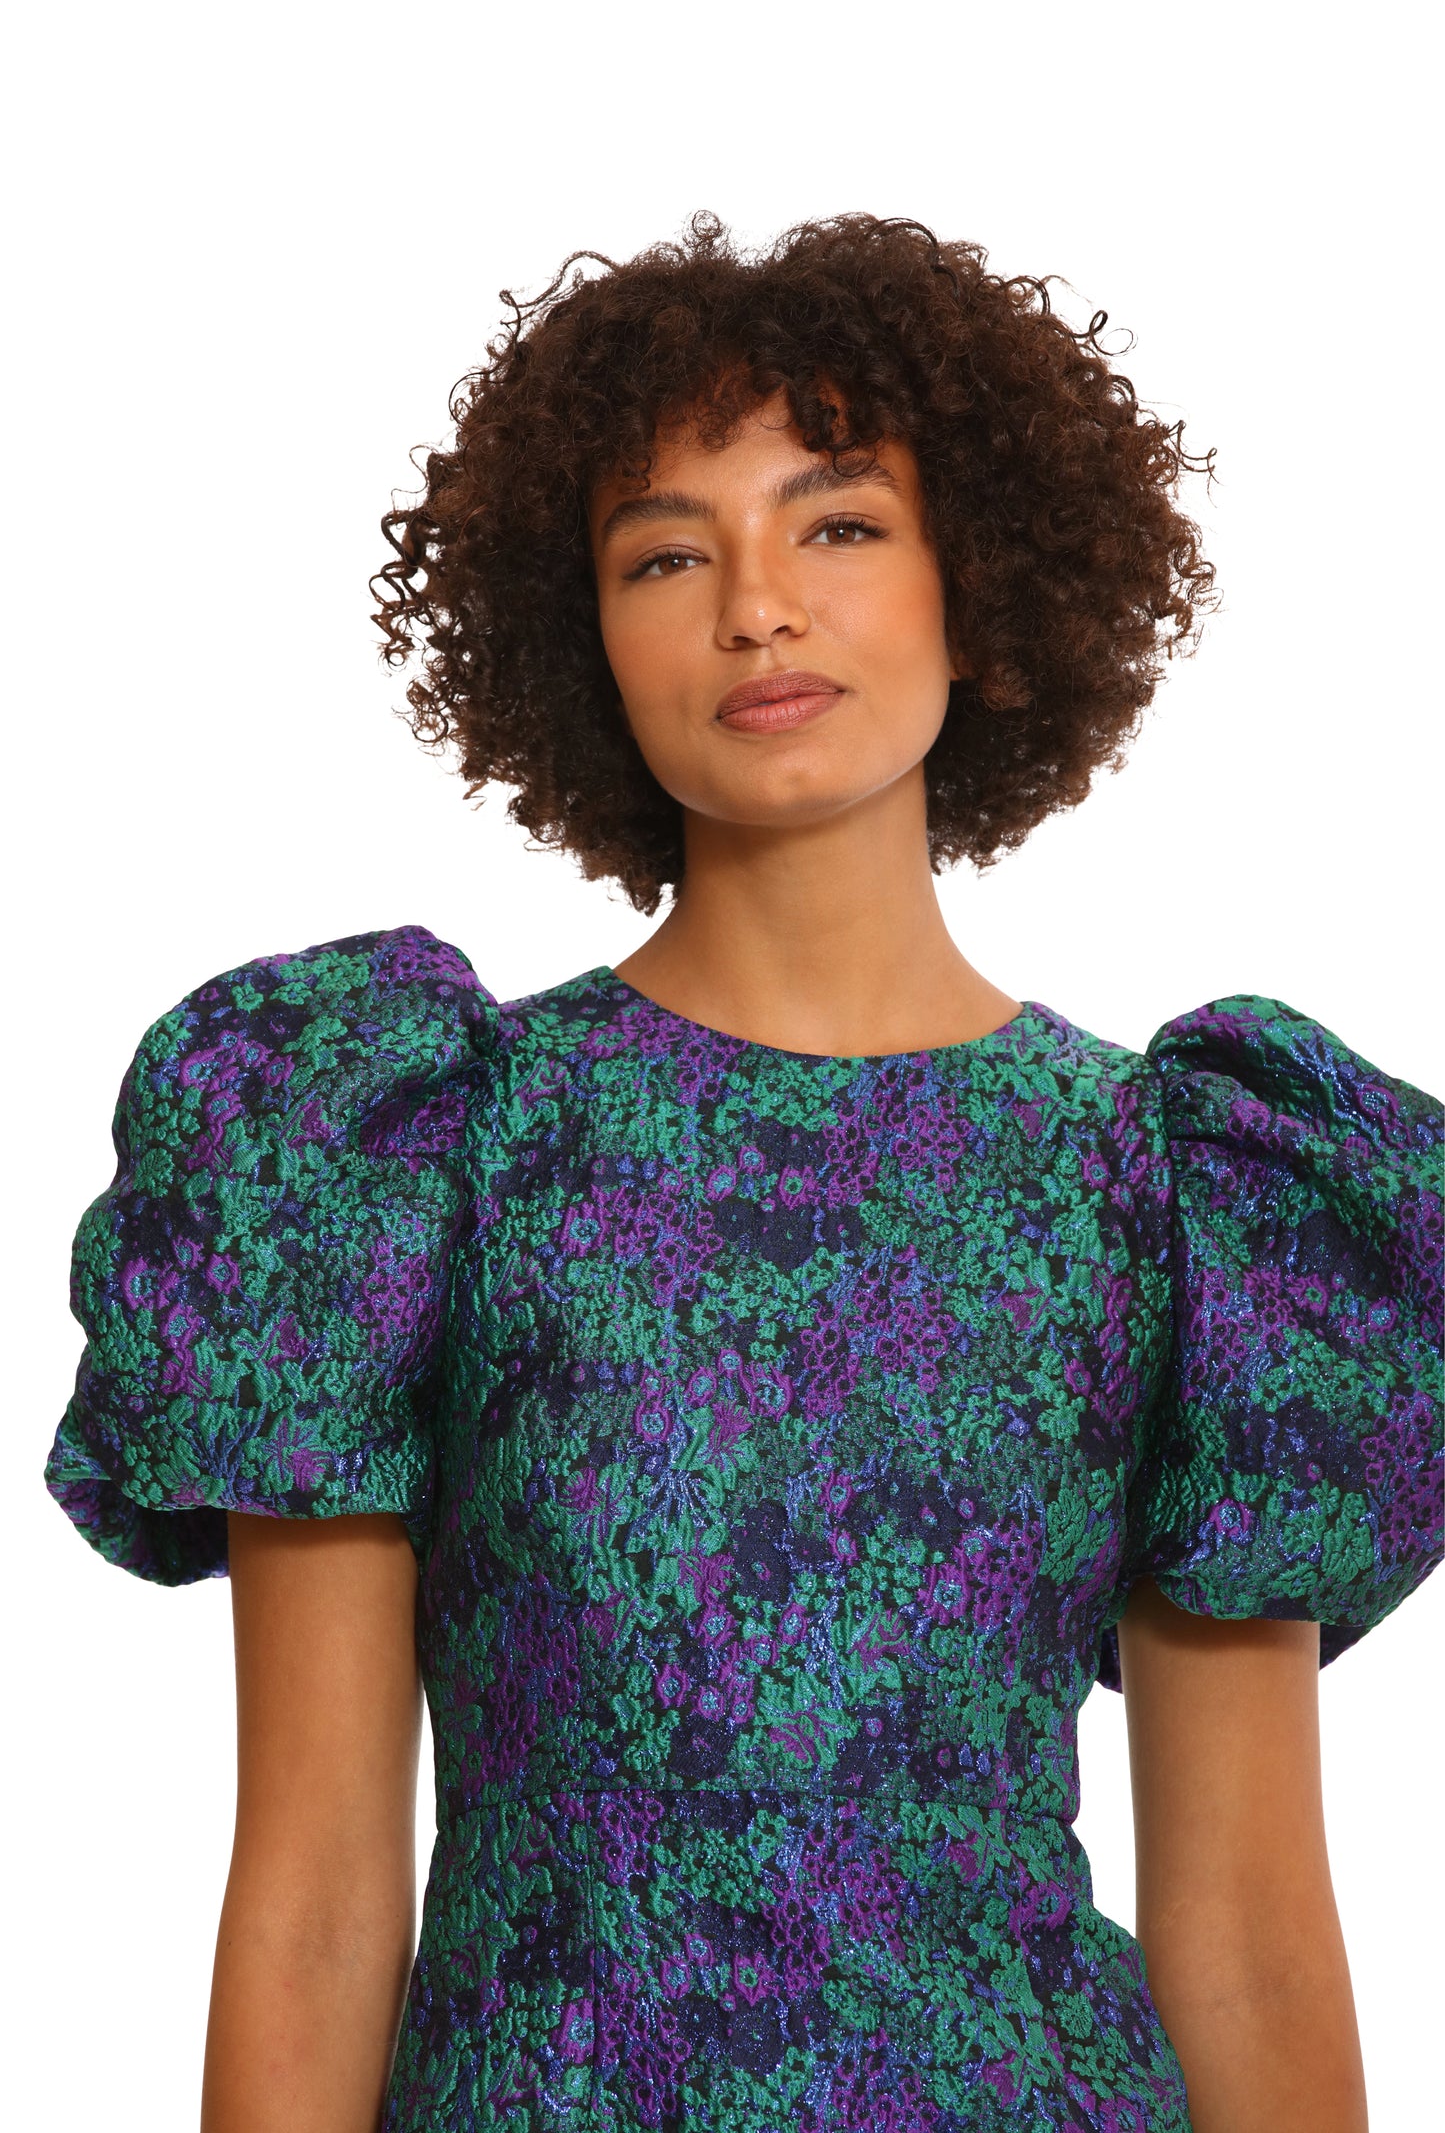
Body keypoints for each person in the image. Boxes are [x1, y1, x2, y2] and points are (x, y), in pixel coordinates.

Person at [44, 213, 1442, 2133]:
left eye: (838, 524)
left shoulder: (1191, 1191)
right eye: (665, 554)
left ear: (980, 588)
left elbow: (1251, 1929)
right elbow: (314, 1897)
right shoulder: (410, 1146)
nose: (756, 608)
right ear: (584, 638)